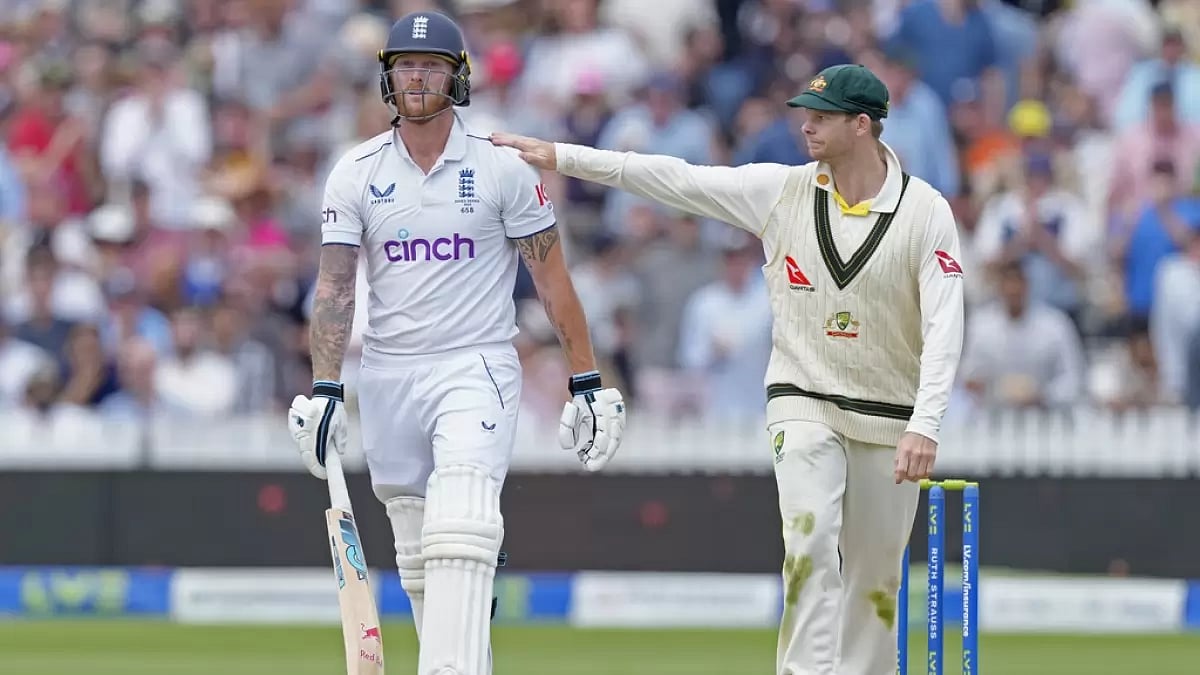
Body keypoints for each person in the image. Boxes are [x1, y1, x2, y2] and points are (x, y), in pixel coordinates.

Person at [493, 63, 965, 675]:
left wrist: (925, 424)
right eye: (805, 114)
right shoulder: (782, 191)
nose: (806, 127)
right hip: (804, 400)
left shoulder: (926, 212)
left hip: (888, 412)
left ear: (863, 125)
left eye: (822, 118)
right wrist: (562, 156)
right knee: (809, 546)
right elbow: (675, 179)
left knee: (875, 582)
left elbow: (945, 323)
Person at [285, 11, 627, 675]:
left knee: (463, 518)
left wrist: (587, 378)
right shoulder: (354, 171)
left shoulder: (501, 167)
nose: (417, 77)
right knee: (418, 551)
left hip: (476, 363)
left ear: (457, 77)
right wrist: (326, 386)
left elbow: (551, 275)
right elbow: (334, 288)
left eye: (431, 65)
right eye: (405, 66)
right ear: (388, 77)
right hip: (388, 372)